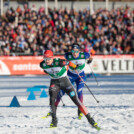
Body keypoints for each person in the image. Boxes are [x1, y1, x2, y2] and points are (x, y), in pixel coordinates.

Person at [40, 49, 100, 130]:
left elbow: (69, 63)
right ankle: (54, 121)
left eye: (48, 59)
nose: (46, 61)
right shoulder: (42, 64)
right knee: (51, 100)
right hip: (54, 82)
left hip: (65, 82)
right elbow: (46, 70)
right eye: (45, 59)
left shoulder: (59, 62)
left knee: (76, 100)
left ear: (52, 58)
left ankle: (90, 120)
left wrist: (75, 67)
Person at [54, 43, 93, 120]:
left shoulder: (84, 55)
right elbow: (64, 61)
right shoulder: (68, 55)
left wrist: (89, 61)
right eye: (73, 51)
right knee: (62, 91)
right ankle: (54, 108)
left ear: (79, 51)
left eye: (76, 51)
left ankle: (80, 110)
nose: (75, 53)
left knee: (79, 91)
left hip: (80, 76)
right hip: (70, 75)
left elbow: (90, 57)